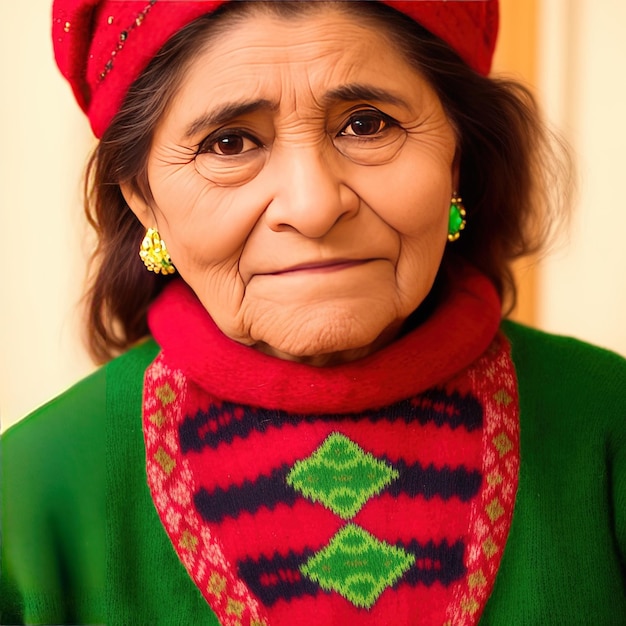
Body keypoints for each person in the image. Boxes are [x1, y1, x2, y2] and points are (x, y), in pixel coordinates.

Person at [1, 0, 624, 624]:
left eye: (366, 125)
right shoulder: (28, 494)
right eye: (230, 142)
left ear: (457, 155)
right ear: (144, 199)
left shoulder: (606, 427)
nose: (314, 205)